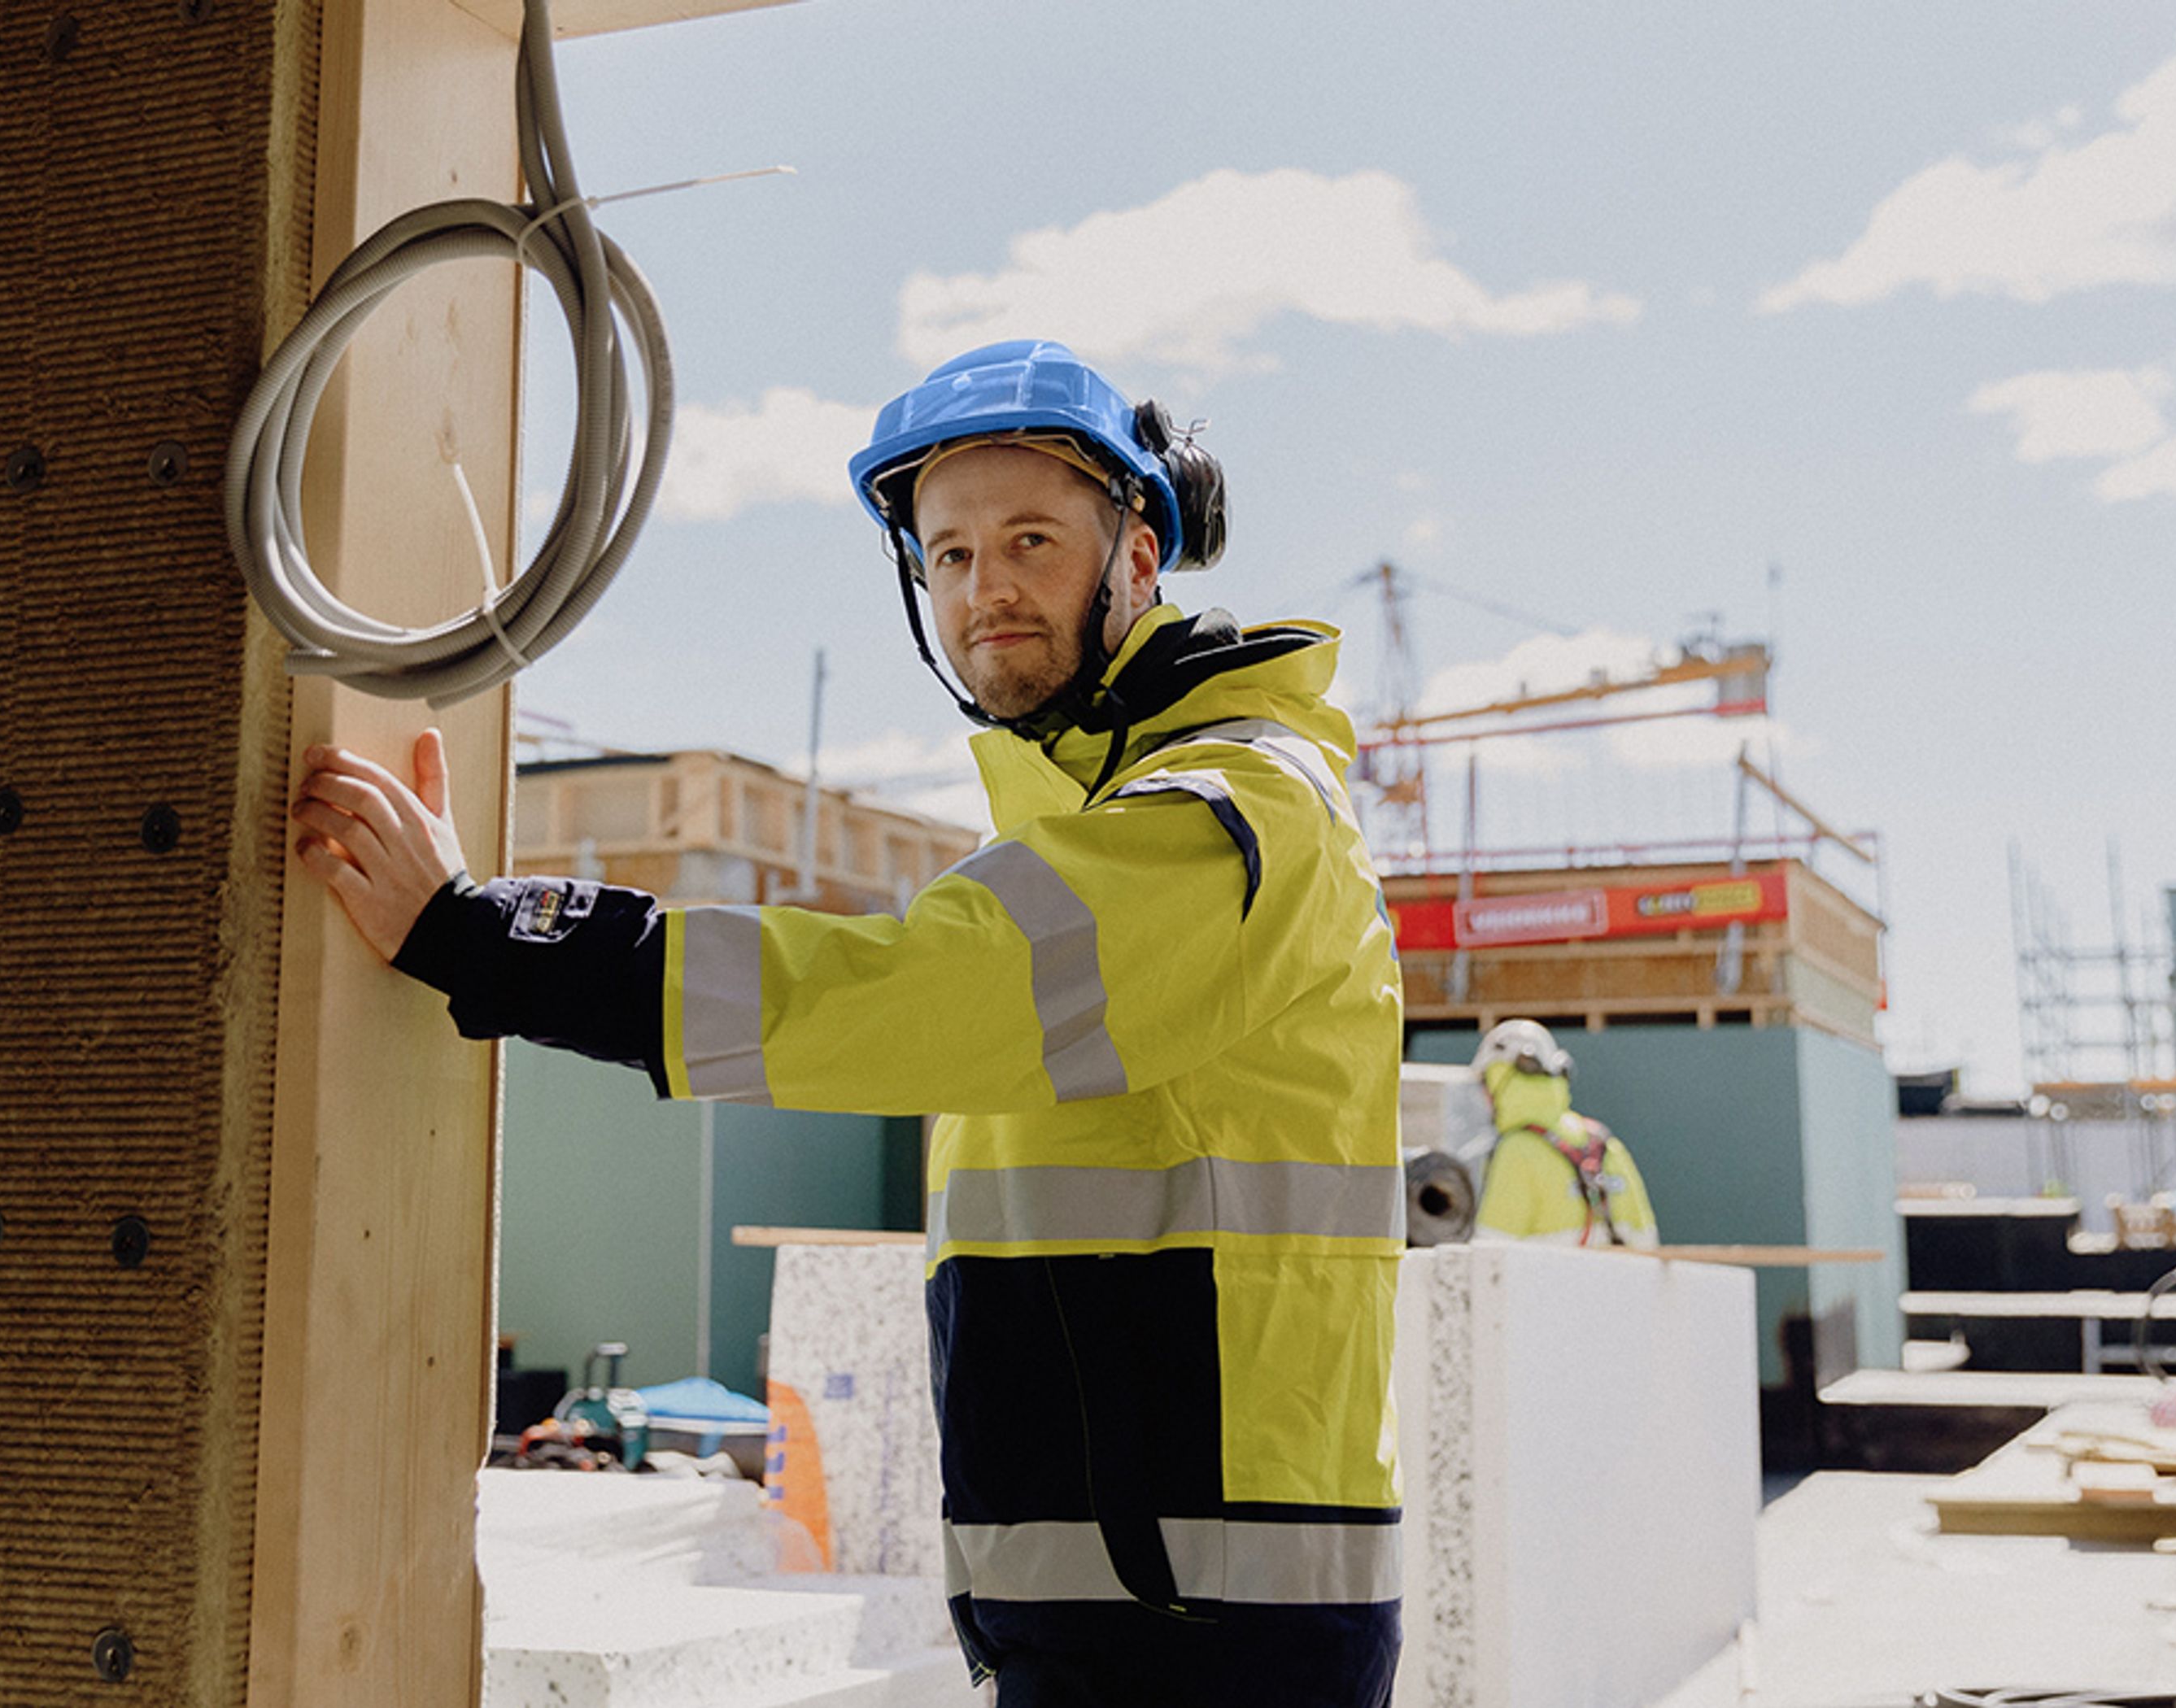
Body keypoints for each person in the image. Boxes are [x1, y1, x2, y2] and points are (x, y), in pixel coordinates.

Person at [289, 340, 1406, 1705]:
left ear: (1142, 552)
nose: (984, 590)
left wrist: (494, 942)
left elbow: (935, 988)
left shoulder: (1236, 813)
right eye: (947, 556)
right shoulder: (1093, 823)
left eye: (1031, 539)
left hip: (1210, 1625)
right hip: (1130, 1602)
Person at [1467, 1018, 1659, 1248]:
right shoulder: (1603, 1143)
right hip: (1619, 1282)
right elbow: (1647, 1242)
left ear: (1499, 1081)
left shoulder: (1517, 1149)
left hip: (1547, 1284)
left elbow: (1491, 1253)